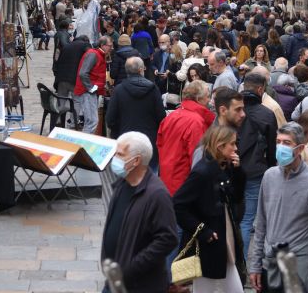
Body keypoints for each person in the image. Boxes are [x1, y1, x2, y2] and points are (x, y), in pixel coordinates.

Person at [249, 122, 308, 293]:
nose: (280, 147)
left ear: (300, 148)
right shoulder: (269, 176)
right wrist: (255, 264)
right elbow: (261, 224)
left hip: (295, 265)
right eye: (278, 141)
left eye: (287, 143)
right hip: (269, 263)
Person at [100, 132, 178, 293]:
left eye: (120, 154)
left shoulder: (157, 195)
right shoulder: (122, 184)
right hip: (115, 281)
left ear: (136, 161)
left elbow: (168, 239)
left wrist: (131, 268)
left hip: (140, 286)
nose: (115, 158)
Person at [173, 126, 246, 293]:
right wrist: (202, 230)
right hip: (209, 245)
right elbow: (178, 205)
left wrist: (238, 172)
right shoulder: (202, 172)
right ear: (220, 146)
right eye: (232, 144)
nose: (235, 148)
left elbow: (236, 197)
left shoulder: (224, 166)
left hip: (224, 238)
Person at [238, 72, 278, 261]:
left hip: (233, 168)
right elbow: (272, 147)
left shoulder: (234, 109)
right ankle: (243, 265)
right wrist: (270, 166)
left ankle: (236, 265)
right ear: (261, 89)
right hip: (255, 170)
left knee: (238, 220)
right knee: (247, 221)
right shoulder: (267, 114)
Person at [157, 80, 215, 195]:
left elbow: (159, 143)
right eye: (208, 97)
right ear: (198, 99)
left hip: (167, 177)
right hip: (184, 182)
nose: (210, 101)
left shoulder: (172, 116)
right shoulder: (196, 122)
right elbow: (197, 158)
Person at [74, 36, 112, 134]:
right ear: (103, 45)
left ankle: (83, 144)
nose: (111, 48)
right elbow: (83, 73)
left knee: (90, 121)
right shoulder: (93, 54)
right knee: (92, 121)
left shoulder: (97, 54)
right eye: (109, 46)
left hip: (90, 91)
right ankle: (84, 146)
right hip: (87, 91)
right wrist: (91, 88)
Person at [53, 35, 91, 101]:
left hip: (61, 79)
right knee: (77, 104)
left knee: (61, 104)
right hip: (74, 80)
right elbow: (91, 56)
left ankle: (62, 111)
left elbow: (57, 61)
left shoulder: (66, 46)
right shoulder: (85, 45)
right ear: (86, 41)